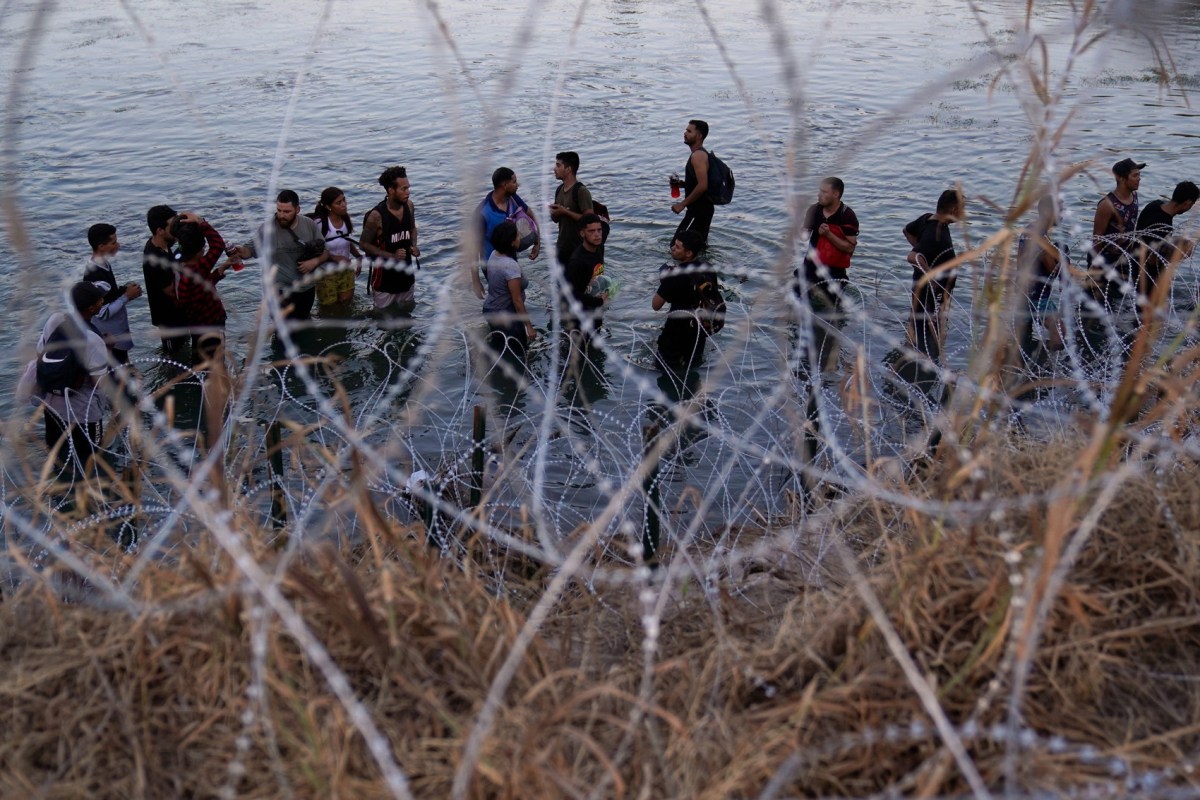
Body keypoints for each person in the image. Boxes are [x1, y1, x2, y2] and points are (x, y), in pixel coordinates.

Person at [16, 282, 111, 475]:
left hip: (52, 408)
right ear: (92, 307)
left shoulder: (54, 320)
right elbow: (98, 383)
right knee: (92, 458)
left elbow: (39, 355)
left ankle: (58, 495)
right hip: (84, 413)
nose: (103, 301)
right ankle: (89, 497)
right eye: (100, 299)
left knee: (57, 457)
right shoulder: (94, 340)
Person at [229, 190, 326, 321]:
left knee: (302, 323)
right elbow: (250, 250)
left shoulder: (308, 224)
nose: (281, 215)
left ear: (297, 209)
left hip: (305, 288)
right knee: (281, 330)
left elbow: (325, 251)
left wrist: (314, 262)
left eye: (287, 212)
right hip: (278, 290)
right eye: (279, 210)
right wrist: (241, 251)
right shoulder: (267, 228)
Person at [796, 178, 859, 371]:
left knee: (832, 311)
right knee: (797, 299)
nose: (819, 194)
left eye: (824, 192)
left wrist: (829, 235)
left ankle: (829, 343)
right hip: (810, 265)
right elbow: (803, 235)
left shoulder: (847, 216)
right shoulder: (814, 210)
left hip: (833, 270)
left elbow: (850, 248)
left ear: (836, 194)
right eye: (819, 191)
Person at [904, 188, 963, 364]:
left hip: (923, 291)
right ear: (953, 211)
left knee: (916, 328)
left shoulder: (927, 219)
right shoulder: (936, 235)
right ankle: (918, 369)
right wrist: (930, 275)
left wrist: (921, 250)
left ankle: (910, 360)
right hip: (931, 295)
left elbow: (907, 230)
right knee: (927, 339)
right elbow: (912, 256)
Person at [1015, 194, 1068, 375]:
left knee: (1023, 340)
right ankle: (1048, 371)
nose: (1062, 214)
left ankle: (1025, 370)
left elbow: (1021, 262)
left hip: (1022, 294)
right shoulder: (1043, 241)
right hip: (1038, 296)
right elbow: (1054, 271)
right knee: (1059, 332)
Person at [652, 229, 717, 372]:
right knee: (692, 374)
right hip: (698, 334)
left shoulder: (675, 274)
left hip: (674, 336)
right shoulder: (708, 269)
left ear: (689, 253)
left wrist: (664, 280)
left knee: (665, 373)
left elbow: (656, 305)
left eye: (677, 246)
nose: (672, 248)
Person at [172, 215, 230, 365]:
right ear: (199, 251)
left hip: (196, 325)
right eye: (203, 247)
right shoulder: (198, 268)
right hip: (212, 323)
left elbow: (199, 289)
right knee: (216, 364)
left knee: (201, 361)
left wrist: (219, 271)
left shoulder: (179, 263)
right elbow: (218, 245)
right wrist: (201, 223)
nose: (205, 249)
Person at [359, 167, 420, 311]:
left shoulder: (409, 206)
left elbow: (412, 229)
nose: (408, 192)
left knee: (407, 313)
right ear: (391, 190)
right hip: (384, 281)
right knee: (383, 319)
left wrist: (413, 246)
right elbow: (363, 244)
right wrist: (392, 255)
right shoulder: (376, 216)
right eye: (403, 189)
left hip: (406, 276)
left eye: (408, 188)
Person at [84, 223, 142, 364]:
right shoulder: (94, 274)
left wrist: (124, 290)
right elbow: (102, 312)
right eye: (113, 243)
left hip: (117, 333)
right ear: (101, 246)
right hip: (111, 337)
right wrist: (126, 296)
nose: (118, 245)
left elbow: (109, 295)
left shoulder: (104, 264)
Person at [1091, 157, 1144, 309]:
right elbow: (1097, 237)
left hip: (1124, 258)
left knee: (1117, 302)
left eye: (1139, 175)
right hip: (1105, 260)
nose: (1139, 179)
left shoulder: (1134, 196)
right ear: (1121, 178)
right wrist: (1095, 266)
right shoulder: (1107, 205)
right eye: (1135, 175)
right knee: (1097, 302)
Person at [480, 220, 536, 358]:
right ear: (511, 242)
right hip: (506, 316)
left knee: (501, 351)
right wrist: (529, 326)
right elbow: (517, 300)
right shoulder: (510, 266)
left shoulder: (494, 254)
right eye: (517, 235)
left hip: (491, 310)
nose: (519, 237)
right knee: (518, 353)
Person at [1135, 180, 1198, 301]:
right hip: (1147, 275)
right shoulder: (1165, 225)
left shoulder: (1154, 205)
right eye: (1191, 205)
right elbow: (1153, 260)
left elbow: (1147, 236)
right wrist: (1179, 254)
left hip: (1135, 261)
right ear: (1187, 203)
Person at [143, 204, 188, 354]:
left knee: (184, 347)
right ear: (160, 231)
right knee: (173, 357)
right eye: (172, 226)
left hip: (179, 313)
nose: (176, 229)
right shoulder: (154, 258)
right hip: (168, 318)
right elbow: (170, 290)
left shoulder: (167, 243)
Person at [310, 187, 362, 310]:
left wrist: (358, 256)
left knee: (346, 304)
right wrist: (334, 257)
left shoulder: (345, 220)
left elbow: (346, 241)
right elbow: (313, 250)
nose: (344, 205)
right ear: (329, 207)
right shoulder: (320, 224)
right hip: (325, 273)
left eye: (344, 200)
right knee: (329, 308)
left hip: (346, 270)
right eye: (339, 203)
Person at [478, 167, 540, 262]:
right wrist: (475, 277)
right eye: (514, 182)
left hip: (510, 259)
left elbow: (532, 216)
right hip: (491, 265)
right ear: (505, 185)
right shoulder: (483, 212)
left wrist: (537, 243)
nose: (517, 184)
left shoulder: (513, 198)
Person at [669, 119, 715, 247]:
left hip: (698, 211)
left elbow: (703, 185)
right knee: (697, 248)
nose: (685, 133)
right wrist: (682, 184)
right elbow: (700, 182)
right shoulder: (700, 154)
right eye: (685, 130)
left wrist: (682, 204)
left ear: (699, 136)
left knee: (677, 246)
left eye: (689, 131)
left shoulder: (698, 156)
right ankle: (703, 266)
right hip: (703, 210)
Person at [562, 213, 607, 334]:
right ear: (582, 233)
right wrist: (599, 301)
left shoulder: (599, 248)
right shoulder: (576, 262)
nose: (597, 234)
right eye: (591, 231)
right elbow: (570, 295)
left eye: (599, 230)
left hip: (595, 310)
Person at [548, 151, 594, 266]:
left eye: (558, 165)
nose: (554, 169)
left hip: (579, 247)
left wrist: (565, 211)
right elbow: (555, 220)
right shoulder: (559, 190)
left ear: (568, 169)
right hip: (562, 247)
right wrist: (554, 213)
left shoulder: (581, 191)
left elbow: (590, 220)